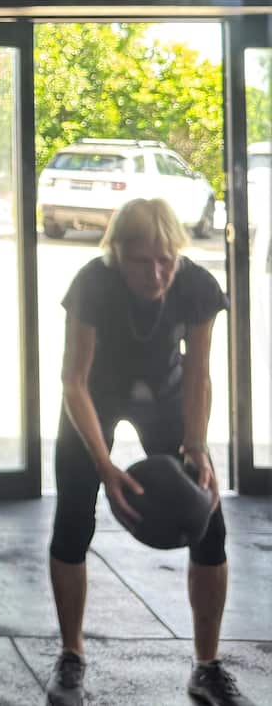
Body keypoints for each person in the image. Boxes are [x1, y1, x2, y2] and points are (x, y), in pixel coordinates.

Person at [46, 198, 254, 706]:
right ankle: (71, 657)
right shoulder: (93, 284)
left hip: (166, 392)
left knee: (210, 525)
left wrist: (197, 446)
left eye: (166, 258)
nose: (157, 271)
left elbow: (200, 374)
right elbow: (73, 381)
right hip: (94, 396)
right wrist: (104, 465)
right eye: (141, 260)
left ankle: (206, 668)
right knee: (74, 520)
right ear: (116, 253)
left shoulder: (196, 286)